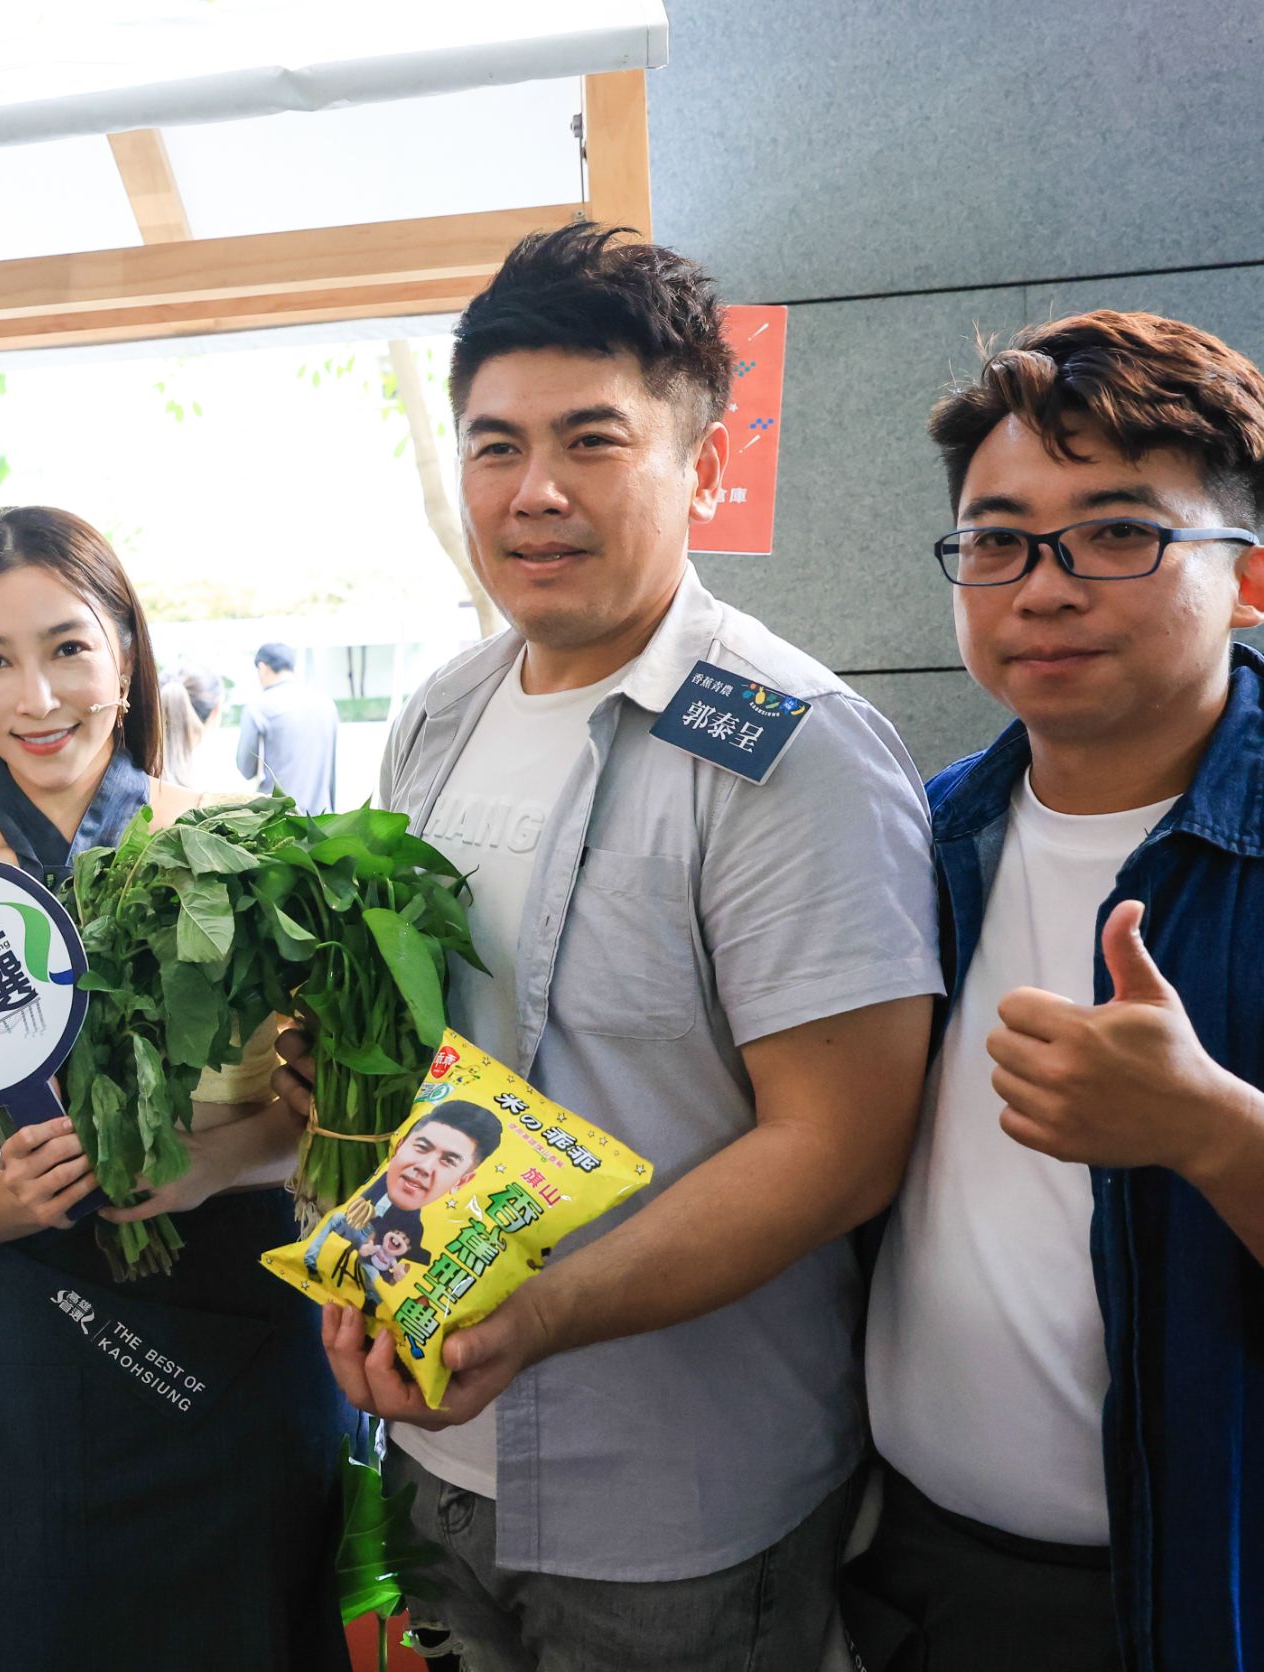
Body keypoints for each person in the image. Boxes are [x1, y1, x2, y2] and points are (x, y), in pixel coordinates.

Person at [278, 224, 940, 1671]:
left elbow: (841, 1143)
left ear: (703, 459)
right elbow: (431, 1054)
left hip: (683, 1501)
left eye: (594, 440)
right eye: (494, 446)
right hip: (442, 1462)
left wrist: (547, 1310)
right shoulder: (441, 716)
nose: (535, 492)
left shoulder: (788, 744)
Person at [848, 310, 1264, 1672]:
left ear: (1249, 576)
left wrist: (1211, 1131)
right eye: (998, 539)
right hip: (919, 1577)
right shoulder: (915, 837)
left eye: (1119, 532)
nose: (1044, 586)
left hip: (1207, 1596)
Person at [0, 506, 347, 1672]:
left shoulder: (245, 850)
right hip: (55, 1333)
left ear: (126, 659)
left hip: (247, 1321)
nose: (37, 697)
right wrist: (20, 1196)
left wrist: (208, 1160)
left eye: (68, 649)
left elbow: (322, 1122)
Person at [301, 1102, 502, 1308]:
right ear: (401, 1144)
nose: (424, 1167)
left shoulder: (417, 1227)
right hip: (351, 1229)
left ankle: (372, 1301)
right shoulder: (376, 1184)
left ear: (461, 1181)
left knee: (371, 1274)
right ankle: (309, 1260)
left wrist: (393, 1271)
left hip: (373, 1255)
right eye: (422, 1147)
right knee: (335, 1219)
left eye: (449, 1161)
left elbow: (412, 1255)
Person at [236, 640, 339, 810]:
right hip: (321, 816)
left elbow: (246, 769)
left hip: (279, 819)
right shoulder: (326, 703)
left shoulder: (259, 707)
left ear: (263, 667)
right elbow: (331, 772)